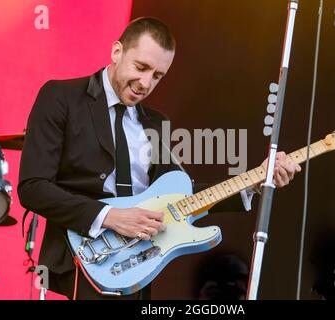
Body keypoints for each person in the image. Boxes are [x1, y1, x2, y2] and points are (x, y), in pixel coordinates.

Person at [18, 17, 301, 300]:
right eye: (141, 68)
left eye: (157, 76)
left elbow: (183, 197)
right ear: (117, 52)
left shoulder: (156, 123)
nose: (145, 83)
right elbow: (33, 187)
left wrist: (253, 180)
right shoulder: (61, 97)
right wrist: (110, 217)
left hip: (138, 265)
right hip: (85, 257)